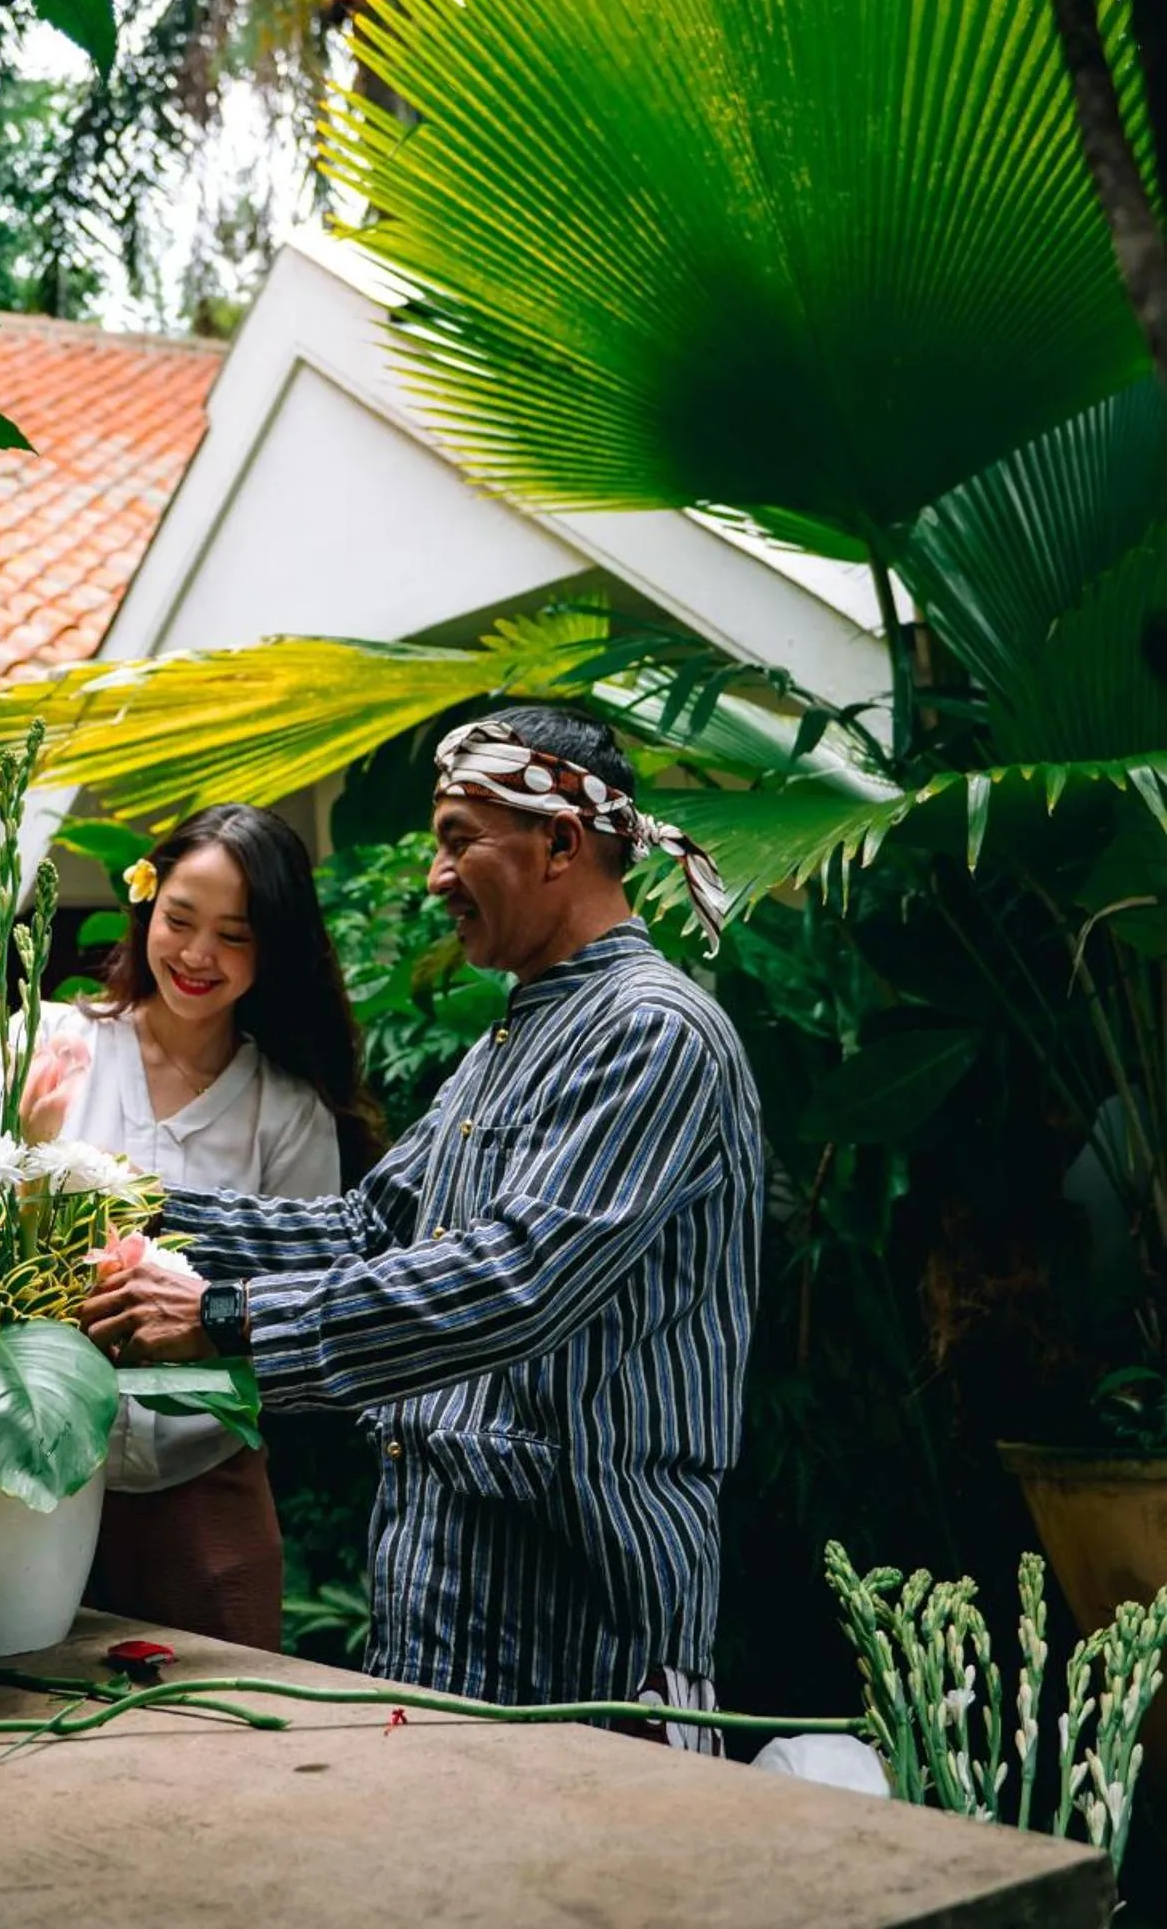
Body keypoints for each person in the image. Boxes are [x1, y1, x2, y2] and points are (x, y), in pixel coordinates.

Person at [81, 708, 763, 1746]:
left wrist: (223, 1316)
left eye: (458, 838)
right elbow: (366, 1229)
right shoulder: (506, 1043)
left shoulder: (654, 1035)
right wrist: (113, 1207)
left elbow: (516, 1281)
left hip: (580, 1622)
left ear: (562, 845)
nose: (437, 876)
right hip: (437, 1612)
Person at [55, 802, 371, 1651]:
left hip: (206, 1479)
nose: (197, 956)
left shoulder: (289, 1108)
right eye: (180, 920)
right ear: (145, 907)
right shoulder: (52, 1046)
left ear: (276, 948)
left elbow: (302, 1296)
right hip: (38, 1472)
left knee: (222, 1743)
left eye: (234, 935)